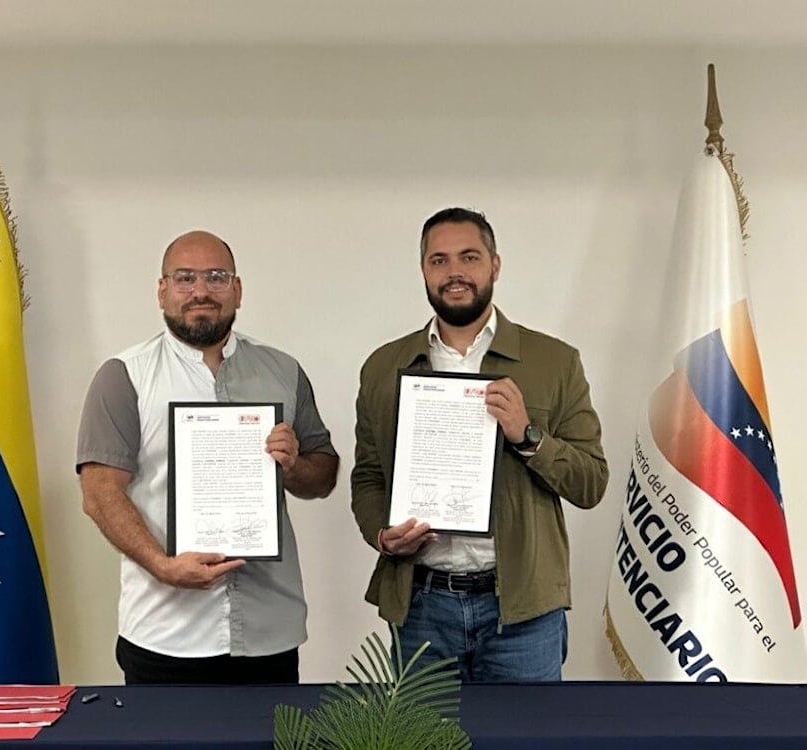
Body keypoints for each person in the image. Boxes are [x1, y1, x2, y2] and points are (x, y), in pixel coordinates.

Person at [350, 207, 607, 682]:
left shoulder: (554, 361)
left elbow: (591, 483)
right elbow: (367, 477)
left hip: (522, 611)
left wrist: (528, 437)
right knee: (426, 743)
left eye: (469, 257)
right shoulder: (385, 367)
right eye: (439, 260)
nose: (454, 273)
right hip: (421, 607)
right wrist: (382, 535)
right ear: (424, 270)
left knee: (528, 743)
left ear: (495, 265)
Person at [77, 230, 338, 685]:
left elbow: (323, 475)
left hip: (268, 632)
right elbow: (100, 493)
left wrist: (295, 464)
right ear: (162, 291)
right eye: (185, 278)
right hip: (166, 633)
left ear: (237, 289)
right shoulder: (125, 376)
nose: (201, 291)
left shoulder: (283, 371)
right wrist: (163, 565)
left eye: (216, 277)